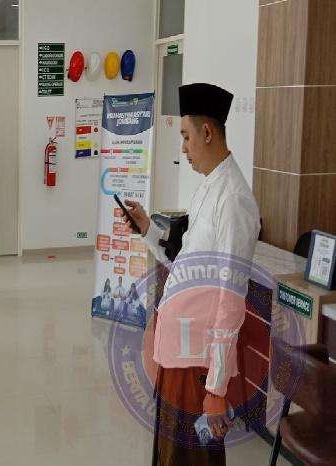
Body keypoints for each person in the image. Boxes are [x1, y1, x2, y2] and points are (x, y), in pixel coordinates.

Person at [123, 83, 260, 466]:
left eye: (186, 136)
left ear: (207, 132)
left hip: (197, 363)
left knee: (190, 458)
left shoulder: (233, 200)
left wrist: (215, 389)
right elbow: (185, 263)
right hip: (178, 354)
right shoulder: (207, 189)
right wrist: (147, 229)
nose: (183, 148)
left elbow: (230, 301)